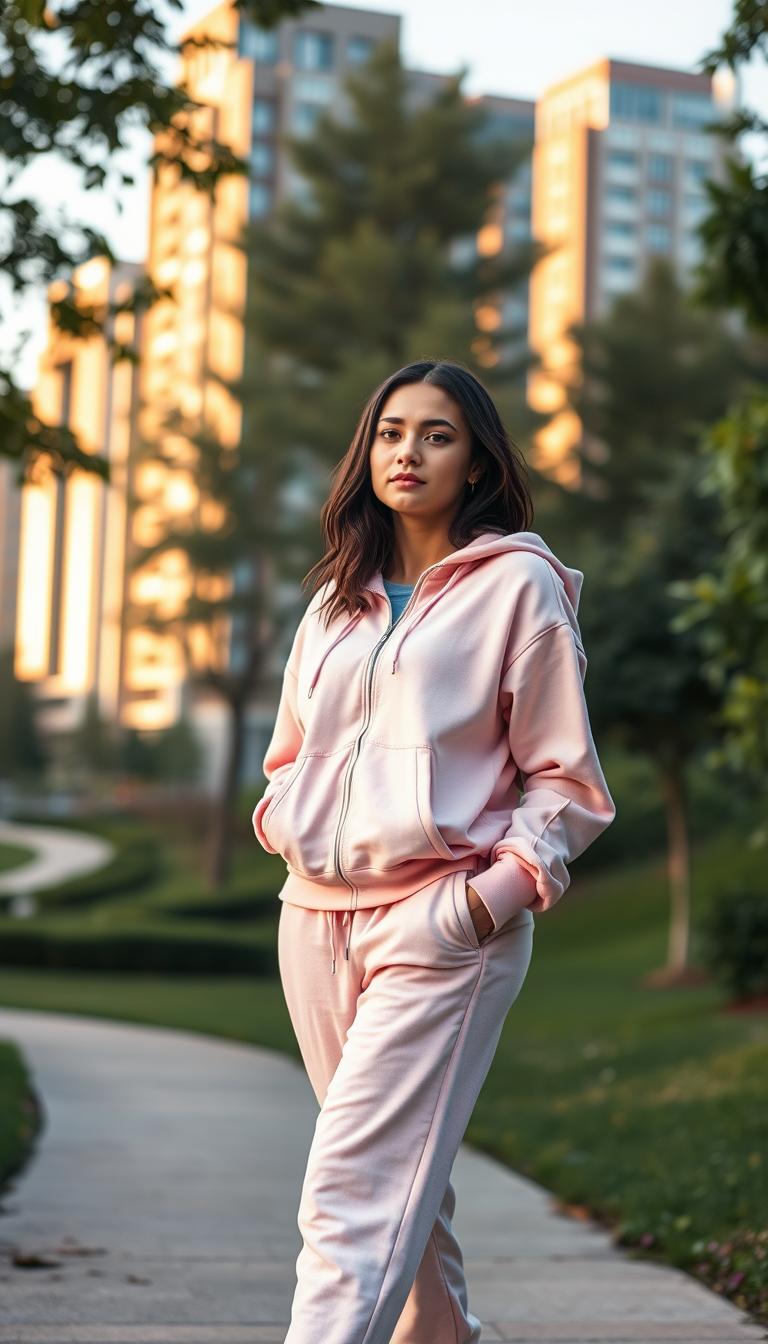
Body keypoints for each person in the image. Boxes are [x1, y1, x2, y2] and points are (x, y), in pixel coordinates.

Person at [253, 358, 616, 1344]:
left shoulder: (518, 588)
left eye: (437, 434)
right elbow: (289, 757)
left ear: (477, 462)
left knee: (353, 1187)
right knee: (397, 1185)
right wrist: (286, 822)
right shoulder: (335, 598)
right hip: (313, 920)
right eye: (390, 432)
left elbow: (567, 780)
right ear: (366, 453)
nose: (407, 451)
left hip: (441, 924)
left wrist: (486, 902)